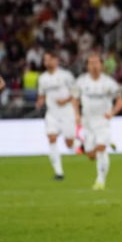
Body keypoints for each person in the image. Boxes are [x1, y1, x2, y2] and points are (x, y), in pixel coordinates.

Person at [73, 53, 122, 190]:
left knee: (101, 148)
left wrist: (112, 113)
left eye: (96, 62)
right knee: (91, 155)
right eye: (91, 63)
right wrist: (77, 115)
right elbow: (74, 99)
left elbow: (121, 100)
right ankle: (106, 144)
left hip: (102, 121)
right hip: (87, 122)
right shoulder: (80, 82)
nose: (94, 65)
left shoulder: (109, 83)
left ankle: (100, 181)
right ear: (87, 66)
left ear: (101, 65)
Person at [36, 50, 77, 180]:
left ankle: (80, 146)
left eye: (48, 59)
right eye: (44, 60)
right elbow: (42, 95)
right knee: (51, 139)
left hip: (67, 113)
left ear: (56, 60)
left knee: (69, 143)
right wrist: (40, 102)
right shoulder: (42, 78)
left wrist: (66, 101)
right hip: (52, 114)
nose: (46, 62)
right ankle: (59, 173)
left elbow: (76, 92)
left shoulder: (66, 76)